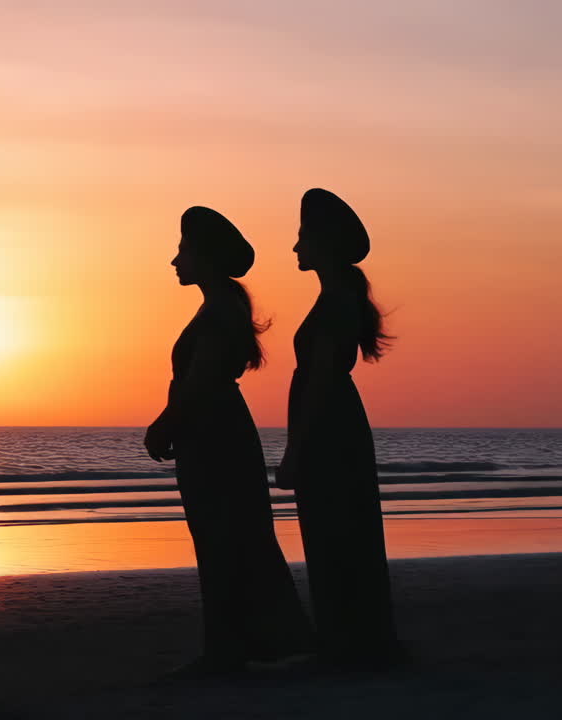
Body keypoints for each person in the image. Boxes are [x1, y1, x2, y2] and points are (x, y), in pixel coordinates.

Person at [145, 206, 311, 674]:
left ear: (205, 257)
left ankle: (230, 647)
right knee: (235, 535)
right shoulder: (222, 306)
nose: (176, 262)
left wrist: (166, 422)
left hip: (214, 431)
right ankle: (253, 640)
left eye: (183, 252)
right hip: (216, 428)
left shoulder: (219, 309)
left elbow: (203, 380)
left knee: (223, 537)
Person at [277, 188, 403, 668]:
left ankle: (347, 643)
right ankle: (348, 638)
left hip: (330, 427)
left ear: (322, 243)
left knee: (336, 532)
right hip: (335, 423)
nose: (295, 248)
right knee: (336, 530)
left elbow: (323, 381)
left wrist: (295, 449)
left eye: (301, 237)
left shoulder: (335, 304)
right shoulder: (336, 298)